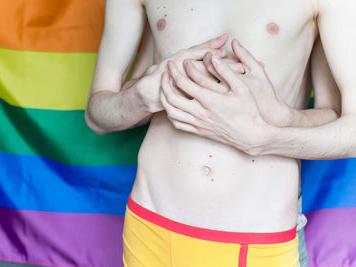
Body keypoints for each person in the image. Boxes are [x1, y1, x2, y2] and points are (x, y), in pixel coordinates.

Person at [86, 0, 354, 266]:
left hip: (257, 237)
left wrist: (266, 136)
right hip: (150, 226)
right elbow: (96, 115)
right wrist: (139, 99)